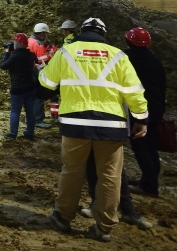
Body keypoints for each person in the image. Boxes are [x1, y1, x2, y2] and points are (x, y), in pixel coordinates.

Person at [41, 17, 149, 243]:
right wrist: (141, 119)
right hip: (110, 127)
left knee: (72, 170)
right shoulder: (118, 55)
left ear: (82, 31)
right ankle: (104, 227)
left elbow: (47, 83)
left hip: (75, 123)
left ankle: (62, 217)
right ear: (103, 33)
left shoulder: (66, 52)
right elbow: (134, 92)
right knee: (110, 176)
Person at [123, 27, 166, 197]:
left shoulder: (127, 59)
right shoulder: (154, 60)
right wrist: (162, 109)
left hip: (138, 109)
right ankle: (149, 180)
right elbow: (162, 86)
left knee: (140, 145)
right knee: (150, 145)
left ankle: (149, 186)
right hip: (155, 109)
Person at [0, 33, 39, 140]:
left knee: (15, 111)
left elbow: (3, 65)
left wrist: (7, 52)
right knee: (30, 111)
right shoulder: (31, 55)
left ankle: (13, 134)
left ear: (16, 44)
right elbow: (37, 63)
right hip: (31, 87)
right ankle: (30, 133)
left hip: (18, 88)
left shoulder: (15, 56)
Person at [29, 23, 55, 129]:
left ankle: (32, 118)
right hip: (37, 72)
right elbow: (42, 60)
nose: (46, 36)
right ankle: (38, 120)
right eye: (46, 33)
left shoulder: (29, 40)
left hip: (29, 72)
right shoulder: (38, 44)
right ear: (42, 33)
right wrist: (51, 55)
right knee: (39, 97)